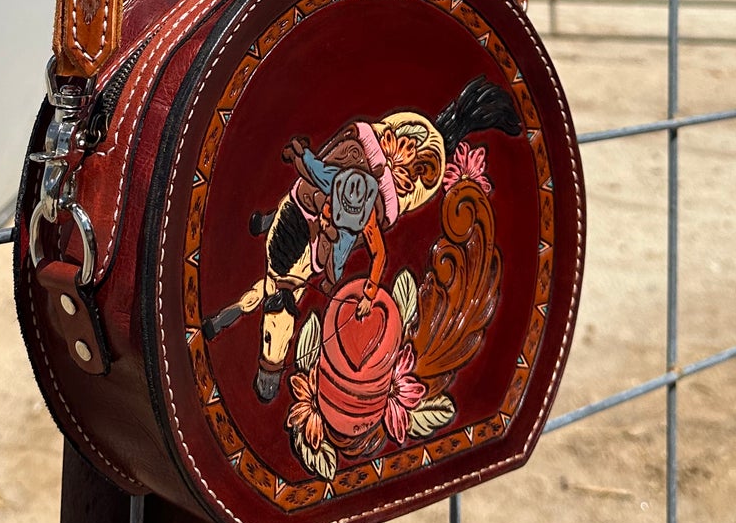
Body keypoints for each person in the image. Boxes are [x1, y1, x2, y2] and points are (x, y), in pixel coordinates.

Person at [200, 76, 522, 404]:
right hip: (311, 224)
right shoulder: (350, 174)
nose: (406, 170)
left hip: (316, 225)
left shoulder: (367, 203)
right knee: (296, 277)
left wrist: (367, 291)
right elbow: (318, 171)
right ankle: (250, 320)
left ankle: (244, 313)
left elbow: (373, 247)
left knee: (300, 275)